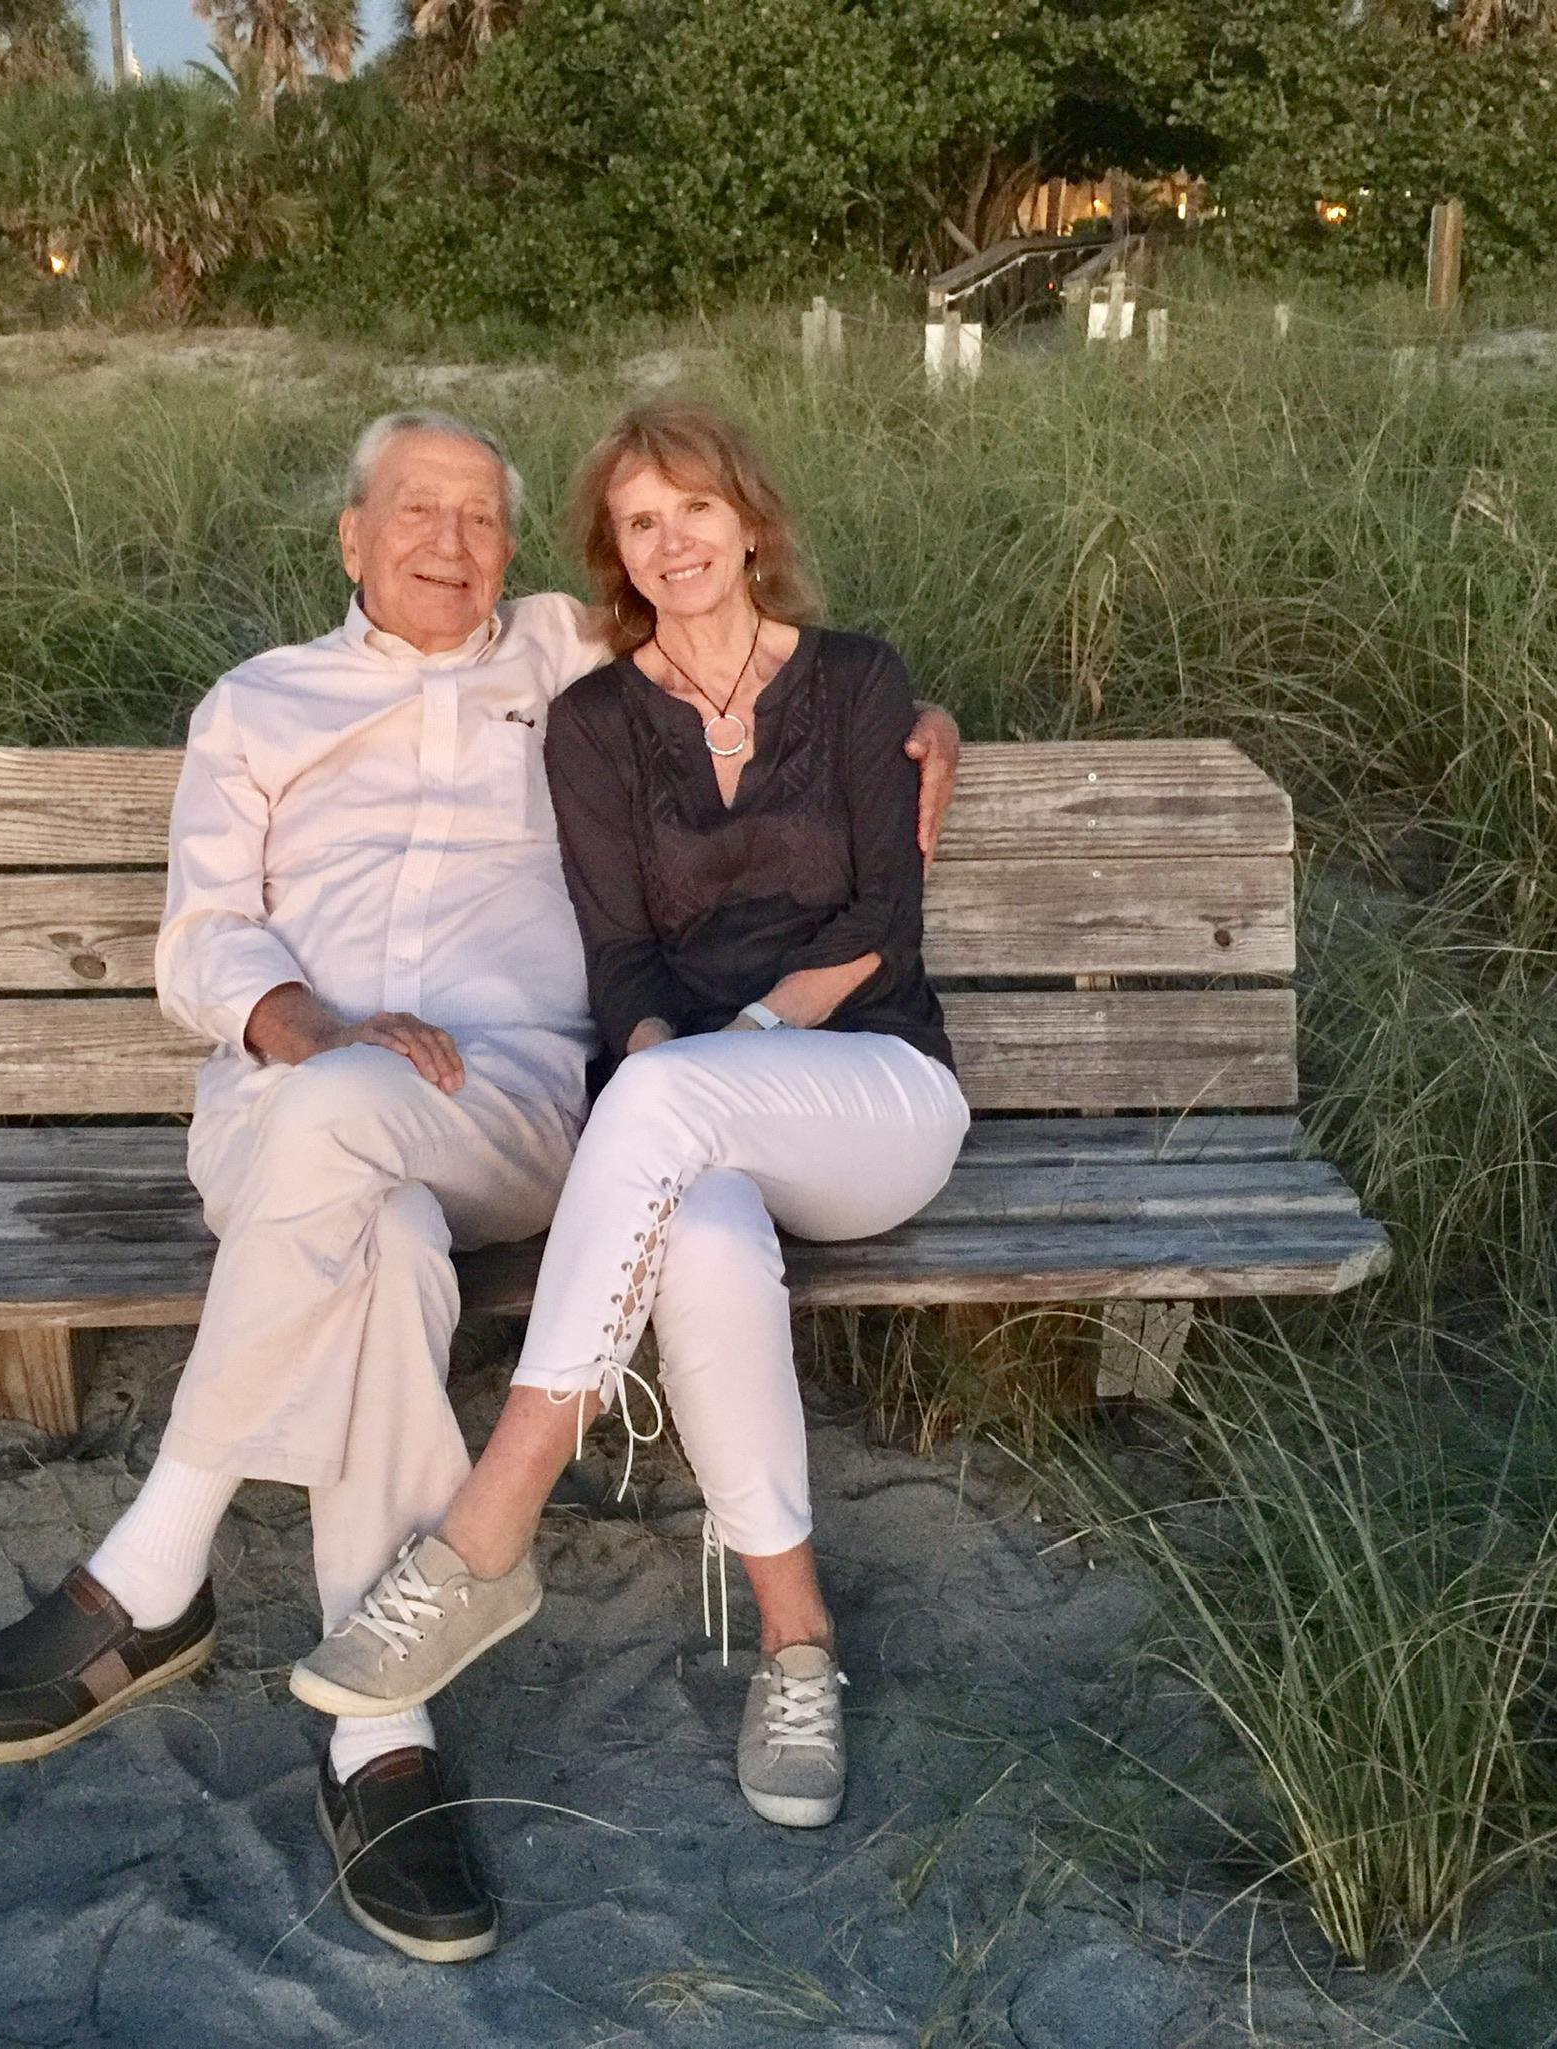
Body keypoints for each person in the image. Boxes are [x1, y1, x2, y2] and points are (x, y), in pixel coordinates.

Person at [0, 410, 961, 1960]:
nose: (448, 543)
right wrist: (306, 1025)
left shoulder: (561, 657)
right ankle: (379, 1732)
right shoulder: (256, 702)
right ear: (351, 535)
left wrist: (920, 716)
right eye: (415, 512)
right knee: (372, 1223)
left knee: (371, 1146)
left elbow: (752, 648)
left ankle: (157, 1562)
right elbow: (200, 937)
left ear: (515, 552)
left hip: (506, 1106)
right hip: (294, 1096)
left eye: (478, 518)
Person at [291, 400, 970, 1836]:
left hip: (871, 1091)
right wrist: (675, 1062)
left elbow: (879, 921)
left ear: (750, 521)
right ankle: (797, 1646)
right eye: (640, 521)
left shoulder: (858, 681)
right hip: (695, 1133)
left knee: (661, 1098)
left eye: (696, 509)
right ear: (614, 551)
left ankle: (489, 1525)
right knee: (702, 1236)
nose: (674, 543)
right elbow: (619, 961)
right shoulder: (596, 723)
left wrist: (730, 1051)